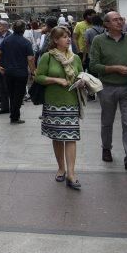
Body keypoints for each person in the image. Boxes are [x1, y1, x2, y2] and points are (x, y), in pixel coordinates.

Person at [89, 11, 127, 174]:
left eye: (121, 19)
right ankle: (106, 148)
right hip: (107, 88)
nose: (120, 22)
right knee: (107, 121)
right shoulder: (98, 41)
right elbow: (93, 66)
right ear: (106, 24)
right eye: (115, 20)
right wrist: (114, 68)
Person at [34, 26, 84, 190]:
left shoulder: (75, 58)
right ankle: (61, 168)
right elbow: (39, 77)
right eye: (64, 37)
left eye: (68, 36)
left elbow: (81, 74)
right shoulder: (48, 57)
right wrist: (56, 80)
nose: (68, 39)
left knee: (71, 137)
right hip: (53, 102)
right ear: (55, 40)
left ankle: (71, 173)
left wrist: (82, 81)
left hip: (71, 102)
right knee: (57, 136)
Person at [0, 20, 36, 124]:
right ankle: (14, 117)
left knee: (11, 94)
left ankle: (14, 115)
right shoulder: (26, 42)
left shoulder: (7, 40)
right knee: (18, 96)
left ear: (12, 28)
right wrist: (33, 72)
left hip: (8, 72)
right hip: (21, 73)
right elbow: (30, 59)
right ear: (23, 29)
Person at [0, 20, 13, 114]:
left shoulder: (10, 37)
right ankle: (4, 107)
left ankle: (12, 106)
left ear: (5, 27)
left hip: (8, 65)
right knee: (1, 86)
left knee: (8, 87)